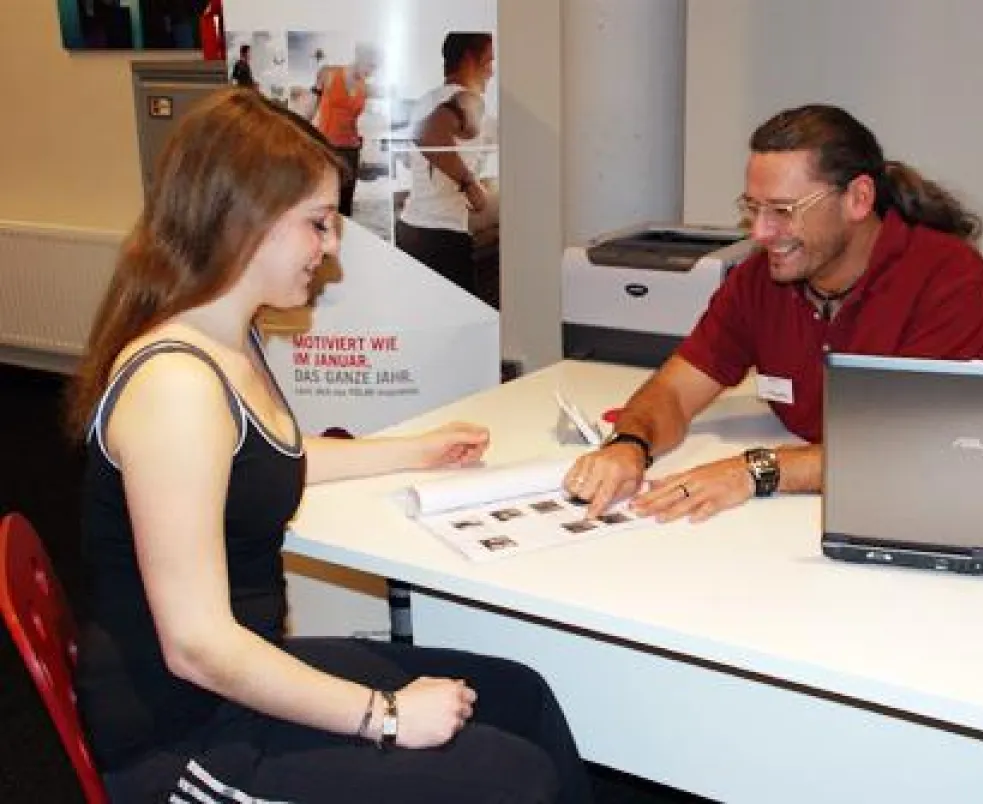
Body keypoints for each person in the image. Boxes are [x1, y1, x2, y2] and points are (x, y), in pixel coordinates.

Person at [67, 87, 592, 803]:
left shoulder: (227, 338)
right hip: (182, 736)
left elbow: (264, 461)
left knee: (521, 699)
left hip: (238, 681)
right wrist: (387, 718)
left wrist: (414, 450)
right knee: (515, 779)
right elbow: (196, 647)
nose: (332, 247)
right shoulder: (175, 388)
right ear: (242, 220)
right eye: (317, 224)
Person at [565, 103, 983, 524]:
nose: (760, 233)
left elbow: (907, 445)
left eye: (783, 211)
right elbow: (675, 392)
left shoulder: (949, 278)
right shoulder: (759, 281)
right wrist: (630, 444)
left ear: (858, 199)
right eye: (752, 209)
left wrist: (754, 470)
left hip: (900, 515)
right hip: (785, 522)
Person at [396, 32, 496, 303]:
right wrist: (470, 185)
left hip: (409, 230)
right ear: (468, 59)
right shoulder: (470, 100)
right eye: (488, 61)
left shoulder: (423, 102)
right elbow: (429, 134)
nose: (492, 71)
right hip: (443, 240)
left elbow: (409, 157)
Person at [313, 43, 380, 216]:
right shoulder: (328, 73)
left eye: (375, 67)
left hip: (351, 150)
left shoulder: (364, 86)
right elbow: (310, 108)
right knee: (325, 203)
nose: (372, 72)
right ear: (359, 56)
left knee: (345, 207)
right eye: (370, 65)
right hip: (327, 148)